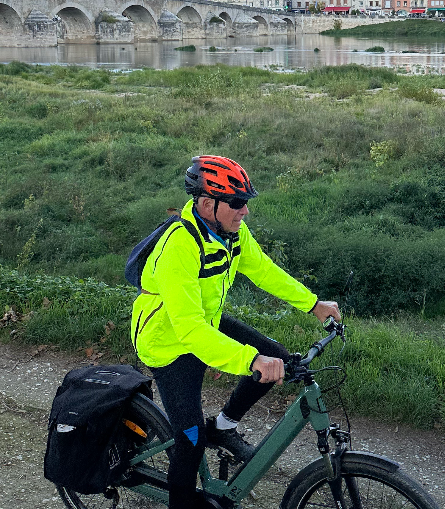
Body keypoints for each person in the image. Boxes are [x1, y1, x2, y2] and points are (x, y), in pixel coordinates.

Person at [130, 155, 341, 508]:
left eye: (245, 202)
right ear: (206, 203)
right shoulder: (178, 247)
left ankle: (225, 426)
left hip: (204, 322)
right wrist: (250, 359)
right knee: (191, 440)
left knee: (277, 355)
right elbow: (189, 329)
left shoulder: (230, 232)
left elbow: (263, 270)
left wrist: (313, 304)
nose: (245, 212)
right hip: (169, 343)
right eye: (237, 203)